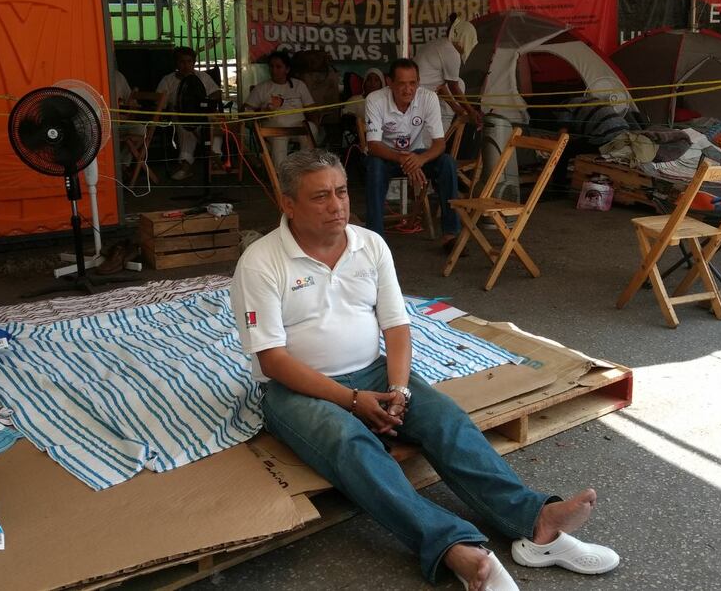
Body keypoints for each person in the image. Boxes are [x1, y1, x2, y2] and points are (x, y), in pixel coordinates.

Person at [231, 149, 619, 591]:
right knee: (351, 442)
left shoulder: (369, 244)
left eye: (341, 191)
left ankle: (535, 522)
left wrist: (398, 388)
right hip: (294, 389)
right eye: (320, 197)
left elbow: (396, 324)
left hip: (372, 372)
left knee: (445, 418)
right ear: (288, 204)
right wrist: (352, 402)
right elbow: (272, 359)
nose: (337, 205)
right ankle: (452, 547)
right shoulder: (261, 261)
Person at [364, 59, 461, 251]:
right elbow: (374, 145)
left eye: (413, 83)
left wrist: (420, 159)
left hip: (417, 155)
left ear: (418, 82)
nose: (408, 89)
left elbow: (439, 143)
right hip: (387, 156)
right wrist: (404, 159)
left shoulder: (428, 97)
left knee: (447, 163)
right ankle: (376, 241)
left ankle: (451, 234)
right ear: (389, 82)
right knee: (373, 167)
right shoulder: (375, 100)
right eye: (402, 83)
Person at [155, 46, 223, 181]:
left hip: (201, 114)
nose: (186, 65)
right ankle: (185, 168)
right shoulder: (168, 80)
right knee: (185, 129)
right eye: (182, 62)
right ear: (176, 63)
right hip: (179, 115)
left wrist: (208, 101)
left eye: (189, 61)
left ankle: (215, 157)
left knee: (216, 125)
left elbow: (216, 92)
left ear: (194, 62)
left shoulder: (202, 77)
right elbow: (159, 101)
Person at [244, 51, 318, 169]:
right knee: (280, 138)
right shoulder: (262, 88)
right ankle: (280, 176)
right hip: (274, 128)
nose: (274, 70)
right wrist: (261, 112)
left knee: (311, 129)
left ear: (287, 69)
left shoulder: (299, 85)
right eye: (271, 67)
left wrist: (315, 120)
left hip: (298, 126)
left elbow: (312, 108)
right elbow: (246, 110)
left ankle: (305, 169)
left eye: (278, 67)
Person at [415, 14, 482, 131]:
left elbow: (440, 86)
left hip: (417, 96)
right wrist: (471, 111)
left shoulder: (439, 44)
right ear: (465, 39)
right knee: (459, 83)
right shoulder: (451, 52)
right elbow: (453, 87)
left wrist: (457, 108)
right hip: (419, 99)